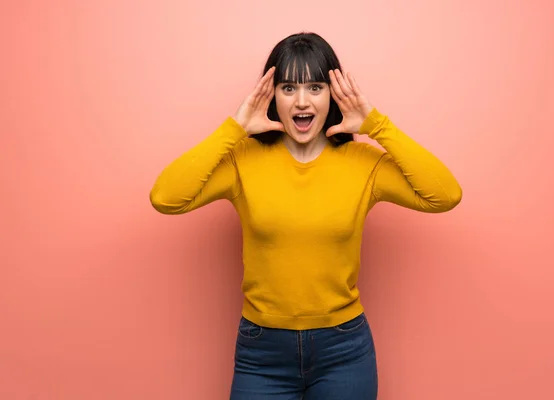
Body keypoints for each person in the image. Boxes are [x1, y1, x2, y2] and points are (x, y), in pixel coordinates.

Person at [149, 32, 462, 400]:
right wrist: (233, 129)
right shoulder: (243, 160)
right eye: (287, 88)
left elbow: (445, 195)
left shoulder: (364, 165)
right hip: (261, 353)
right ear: (271, 97)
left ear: (333, 95)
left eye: (315, 87)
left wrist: (377, 125)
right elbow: (165, 198)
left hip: (344, 350)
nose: (302, 101)